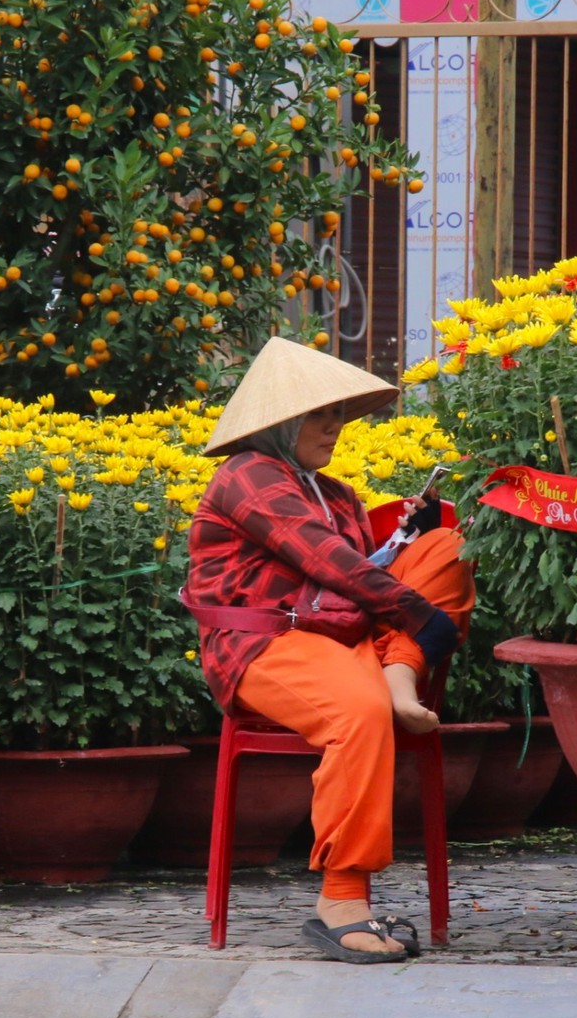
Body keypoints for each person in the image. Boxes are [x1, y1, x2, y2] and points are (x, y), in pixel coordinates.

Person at [183, 336, 475, 964]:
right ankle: (342, 900)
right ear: (282, 422)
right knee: (360, 713)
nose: (335, 426)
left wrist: (409, 537)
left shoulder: (336, 493)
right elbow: (329, 564)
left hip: (344, 638)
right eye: (320, 415)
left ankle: (400, 677)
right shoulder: (247, 475)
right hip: (264, 646)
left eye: (339, 414)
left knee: (448, 550)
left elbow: (360, 575)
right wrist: (420, 616)